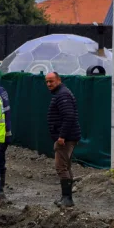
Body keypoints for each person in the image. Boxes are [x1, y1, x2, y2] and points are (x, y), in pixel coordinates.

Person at [45, 72, 81, 208]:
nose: (49, 84)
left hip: (66, 138)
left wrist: (62, 136)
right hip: (67, 136)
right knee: (66, 166)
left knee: (61, 166)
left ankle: (67, 199)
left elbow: (69, 116)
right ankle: (66, 197)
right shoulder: (61, 94)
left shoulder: (63, 95)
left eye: (51, 81)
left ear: (58, 80)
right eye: (47, 82)